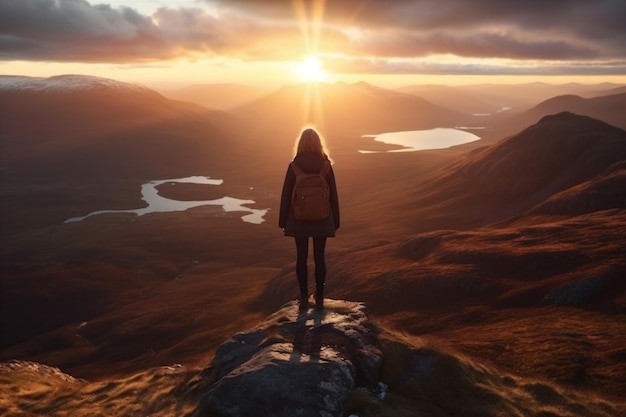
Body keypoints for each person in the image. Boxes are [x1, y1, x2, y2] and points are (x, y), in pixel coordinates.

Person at [279, 127, 340, 310]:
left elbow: (286, 194)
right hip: (323, 218)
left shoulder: (294, 166)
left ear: (300, 143)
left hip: (298, 220)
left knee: (301, 257)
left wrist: (283, 221)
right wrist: (335, 221)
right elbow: (333, 196)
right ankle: (320, 296)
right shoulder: (326, 165)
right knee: (320, 257)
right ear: (319, 143)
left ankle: (304, 295)